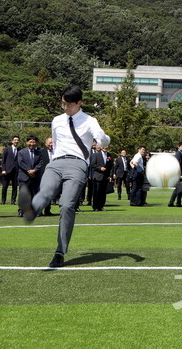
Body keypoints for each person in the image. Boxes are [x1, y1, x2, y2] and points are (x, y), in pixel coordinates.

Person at [20, 85, 110, 268]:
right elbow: (55, 141)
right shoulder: (57, 120)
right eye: (63, 104)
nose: (66, 108)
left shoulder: (89, 120)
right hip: (56, 163)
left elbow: (102, 138)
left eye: (69, 105)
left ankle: (60, 252)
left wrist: (102, 139)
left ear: (79, 103)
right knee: (45, 191)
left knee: (67, 205)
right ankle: (31, 210)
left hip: (77, 165)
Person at [17, 135, 43, 217]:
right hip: (24, 177)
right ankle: (21, 210)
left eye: (34, 142)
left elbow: (41, 163)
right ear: (26, 142)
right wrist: (29, 171)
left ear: (36, 143)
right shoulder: (21, 152)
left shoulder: (39, 153)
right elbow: (20, 163)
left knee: (35, 194)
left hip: (35, 176)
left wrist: (34, 170)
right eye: (30, 142)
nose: (32, 144)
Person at [90, 145, 113, 211]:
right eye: (104, 146)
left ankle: (101, 206)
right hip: (98, 176)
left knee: (103, 192)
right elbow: (93, 164)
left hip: (105, 176)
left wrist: (110, 175)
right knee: (96, 192)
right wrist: (100, 168)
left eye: (107, 146)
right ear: (101, 147)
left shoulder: (109, 155)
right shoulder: (96, 155)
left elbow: (111, 165)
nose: (105, 148)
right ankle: (95, 207)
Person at [1, 136, 20, 205]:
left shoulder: (20, 150)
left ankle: (13, 201)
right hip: (7, 171)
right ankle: (3, 200)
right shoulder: (7, 149)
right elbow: (3, 160)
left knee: (15, 187)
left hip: (16, 171)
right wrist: (3, 169)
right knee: (5, 186)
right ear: (12, 141)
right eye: (15, 140)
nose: (16, 141)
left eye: (17, 140)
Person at [168, 142, 182, 207]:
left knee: (180, 189)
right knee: (178, 189)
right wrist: (180, 174)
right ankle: (171, 203)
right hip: (179, 174)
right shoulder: (178, 154)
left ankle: (178, 203)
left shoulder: (180, 153)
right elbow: (177, 164)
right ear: (178, 147)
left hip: (181, 174)